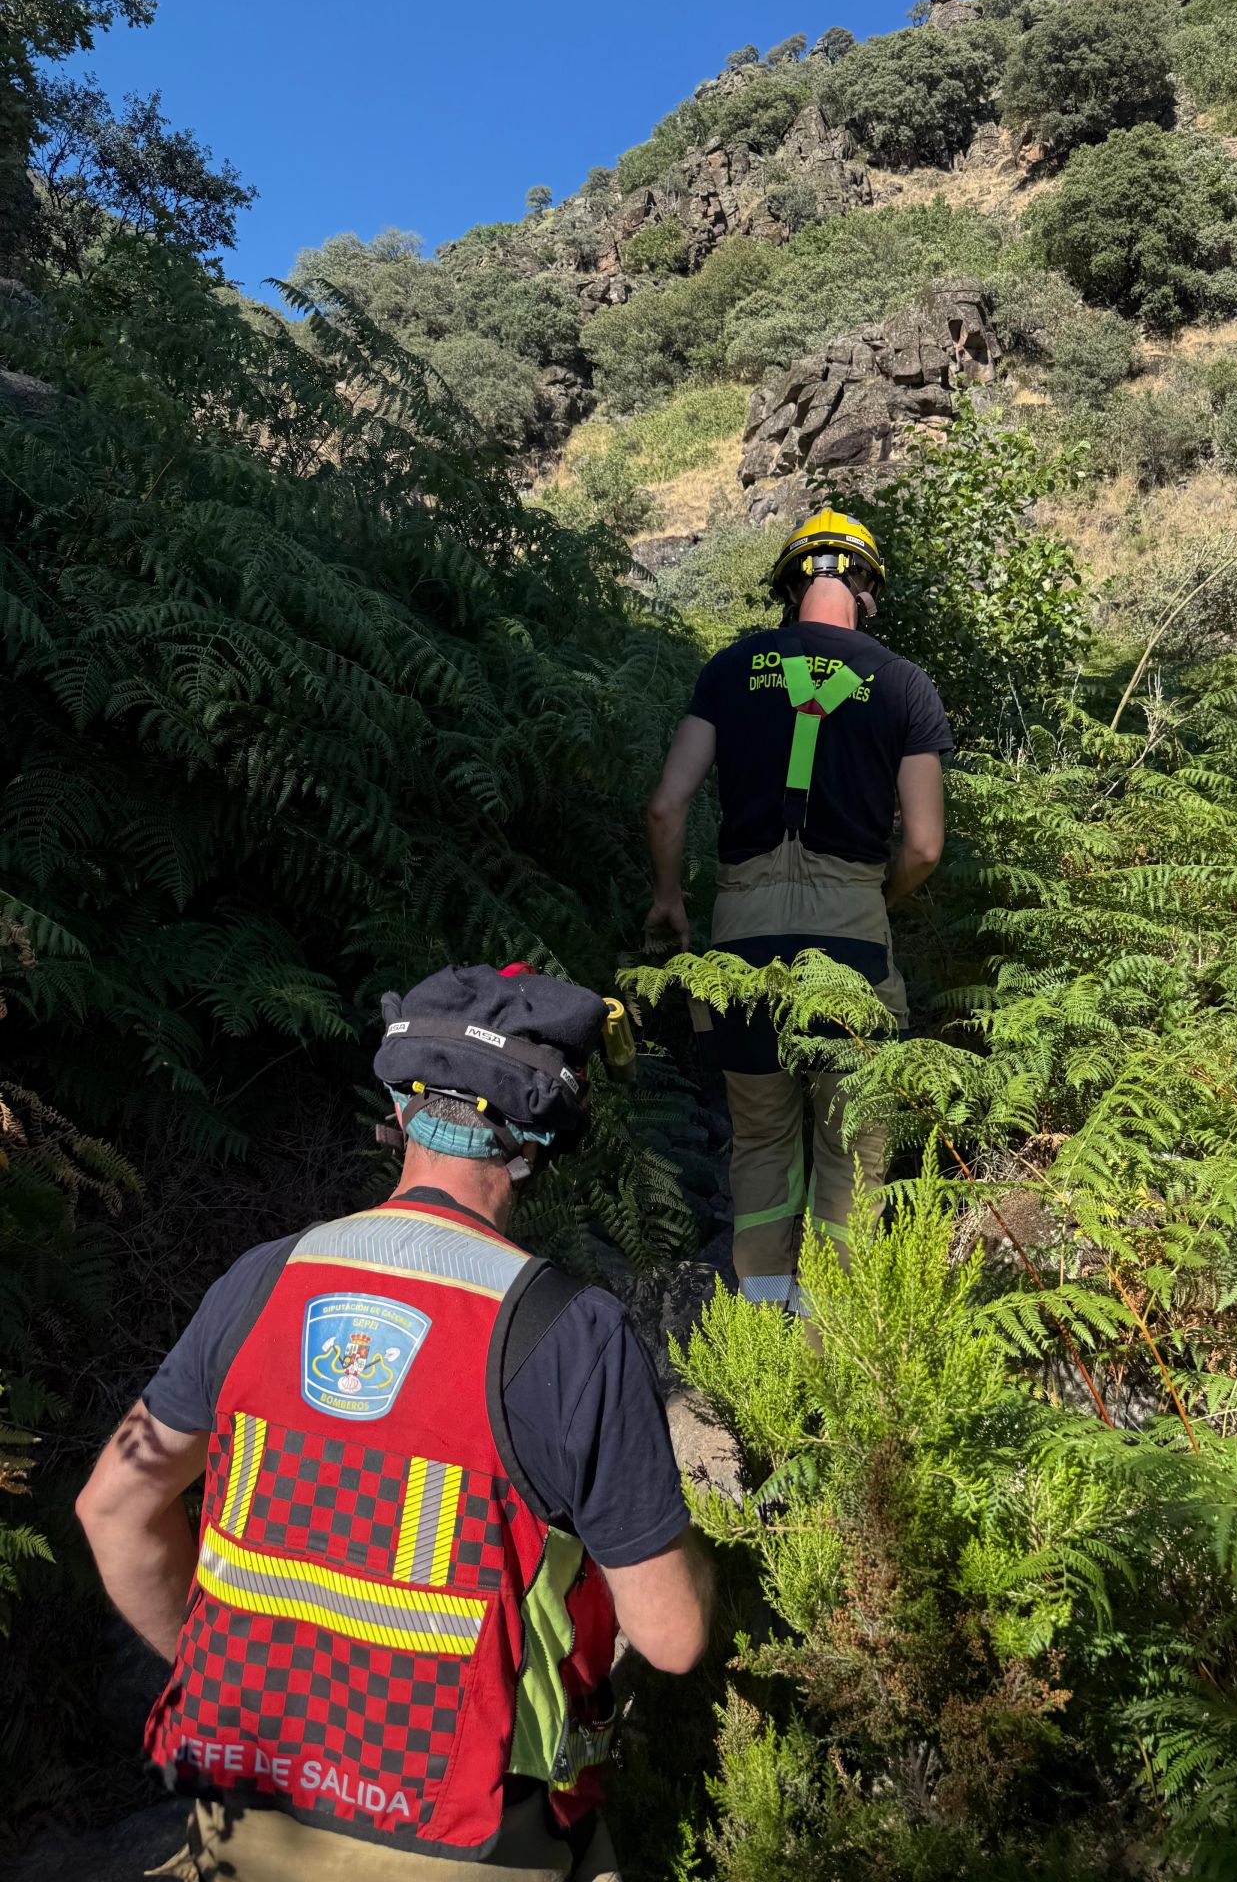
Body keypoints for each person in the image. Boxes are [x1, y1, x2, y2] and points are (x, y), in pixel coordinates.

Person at [77, 962, 712, 1882]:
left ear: (403, 1112)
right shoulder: (569, 1331)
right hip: (478, 1831)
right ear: (541, 1142)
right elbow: (673, 1637)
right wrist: (693, 1548)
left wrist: (222, 1674)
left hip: (251, 1817)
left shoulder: (263, 1279)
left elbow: (113, 1508)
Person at [646, 509, 952, 1314]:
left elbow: (666, 809)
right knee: (853, 1152)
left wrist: (671, 899)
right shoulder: (905, 684)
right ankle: (835, 1344)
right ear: (868, 589)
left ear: (787, 587)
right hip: (851, 939)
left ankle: (761, 1330)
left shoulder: (727, 668)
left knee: (759, 1142)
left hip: (740, 943)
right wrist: (872, 904)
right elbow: (923, 845)